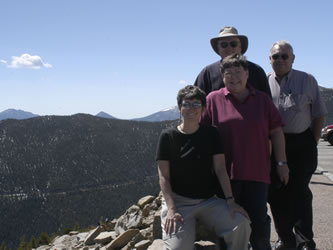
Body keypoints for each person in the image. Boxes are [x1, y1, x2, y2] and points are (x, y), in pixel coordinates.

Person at [201, 54, 289, 250]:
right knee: (228, 225)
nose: (234, 77)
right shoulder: (213, 100)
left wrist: (282, 163)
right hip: (224, 175)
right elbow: (200, 133)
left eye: (238, 72)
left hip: (257, 172)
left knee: (258, 222)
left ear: (247, 74)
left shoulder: (262, 100)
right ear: (222, 77)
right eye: (228, 73)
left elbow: (276, 131)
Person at [156, 85, 251, 250]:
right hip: (180, 203)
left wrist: (230, 201)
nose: (191, 109)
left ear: (203, 108)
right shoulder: (168, 137)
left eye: (196, 104)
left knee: (240, 224)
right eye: (186, 104)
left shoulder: (211, 133)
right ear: (180, 108)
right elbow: (164, 176)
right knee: (178, 248)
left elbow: (220, 169)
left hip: (209, 201)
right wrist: (171, 209)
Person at [267, 40, 327, 250]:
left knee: (299, 191)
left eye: (285, 56)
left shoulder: (307, 80)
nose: (280, 60)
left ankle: (305, 242)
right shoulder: (264, 83)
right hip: (274, 145)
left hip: (302, 142)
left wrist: (312, 140)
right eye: (276, 56)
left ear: (292, 59)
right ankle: (285, 239)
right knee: (275, 194)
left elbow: (319, 114)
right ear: (270, 60)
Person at [194, 26, 271, 97]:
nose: (229, 48)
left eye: (233, 44)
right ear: (218, 49)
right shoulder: (207, 73)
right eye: (224, 45)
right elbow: (195, 101)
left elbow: (267, 104)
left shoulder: (257, 71)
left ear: (240, 47)